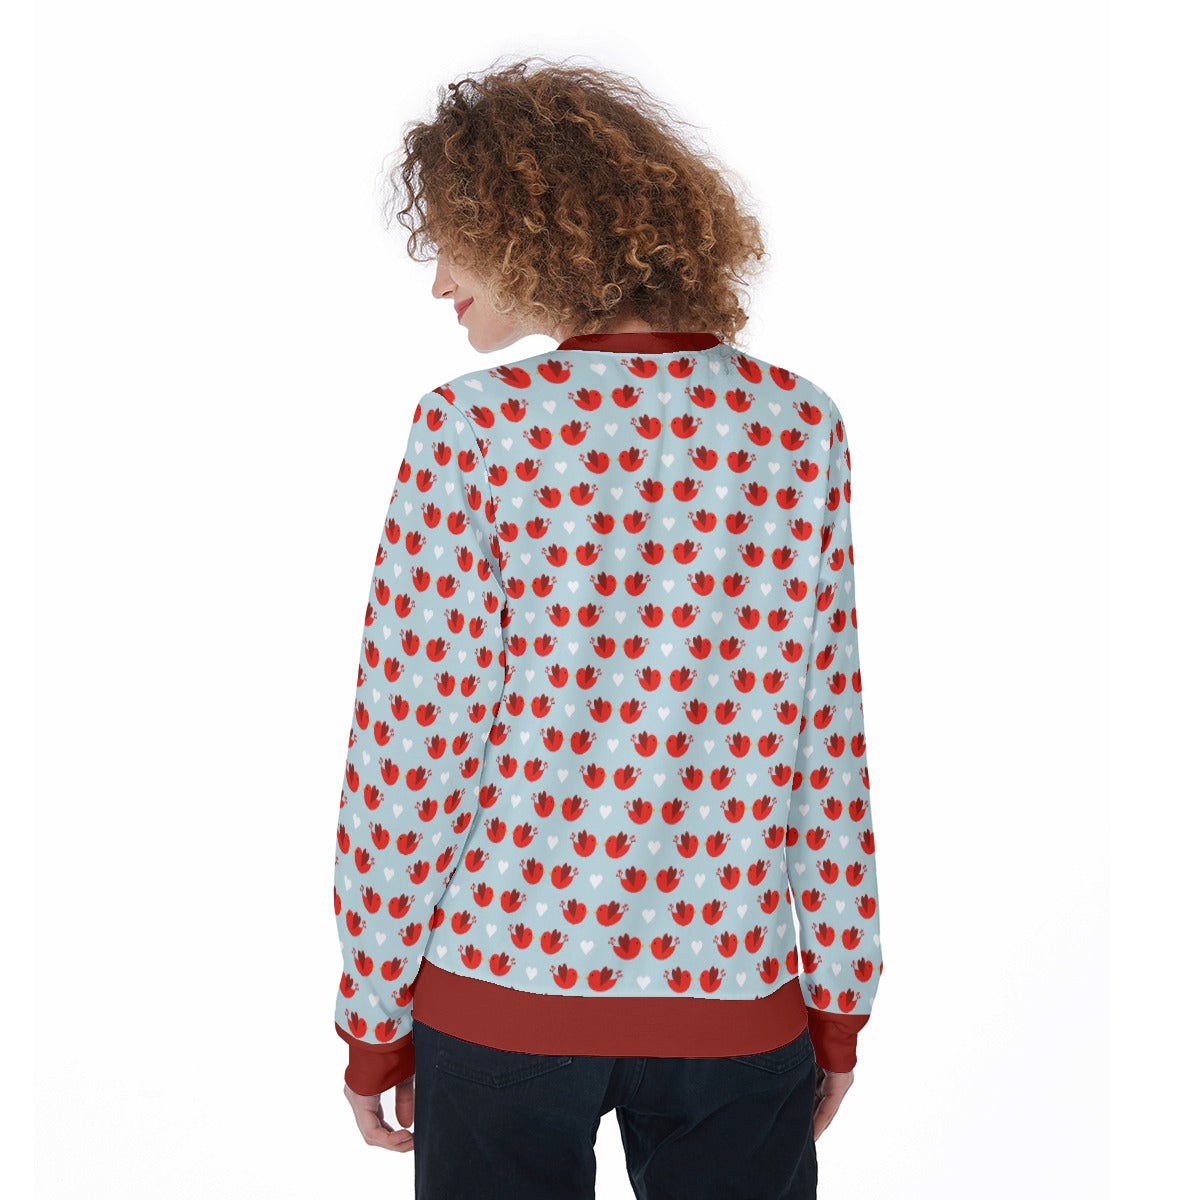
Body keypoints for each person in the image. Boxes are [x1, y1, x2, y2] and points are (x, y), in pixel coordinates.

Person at [331, 55, 884, 1200]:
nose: (439, 281)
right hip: (737, 1003)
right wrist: (837, 999)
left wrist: (374, 1013)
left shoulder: (472, 430)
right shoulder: (797, 425)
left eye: (456, 240)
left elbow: (413, 745)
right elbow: (824, 741)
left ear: (536, 231)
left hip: (501, 998)